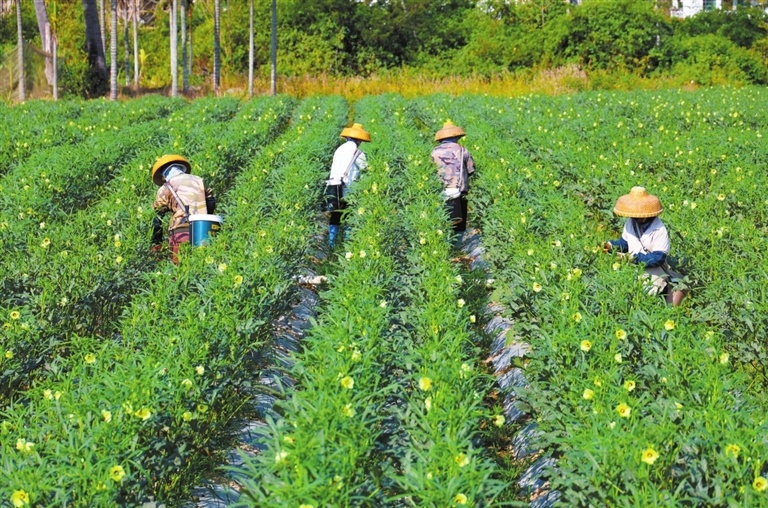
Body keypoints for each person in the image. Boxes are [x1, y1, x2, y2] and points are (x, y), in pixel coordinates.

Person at [604, 186, 686, 306]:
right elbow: (624, 243)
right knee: (622, 290)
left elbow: (658, 258)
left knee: (646, 296)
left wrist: (634, 258)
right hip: (633, 267)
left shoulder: (659, 229)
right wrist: (610, 245)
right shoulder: (630, 222)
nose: (634, 216)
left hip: (653, 269)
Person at [151, 154, 215, 264]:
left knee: (180, 267)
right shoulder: (199, 180)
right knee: (203, 265)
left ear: (164, 175)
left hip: (180, 231)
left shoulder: (165, 188)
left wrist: (156, 243)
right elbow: (211, 202)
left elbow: (157, 218)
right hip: (203, 229)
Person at [431, 121, 476, 249]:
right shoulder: (462, 150)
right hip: (459, 189)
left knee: (444, 216)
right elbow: (471, 169)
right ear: (456, 136)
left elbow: (429, 171)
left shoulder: (434, 152)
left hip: (441, 190)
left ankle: (443, 244)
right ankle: (456, 246)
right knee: (459, 219)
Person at [325, 123, 370, 247]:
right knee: (349, 216)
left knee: (335, 215)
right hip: (347, 189)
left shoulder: (339, 149)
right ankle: (347, 245)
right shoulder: (357, 152)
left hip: (333, 186)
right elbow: (365, 169)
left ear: (348, 138)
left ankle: (331, 244)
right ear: (359, 140)